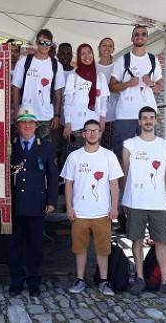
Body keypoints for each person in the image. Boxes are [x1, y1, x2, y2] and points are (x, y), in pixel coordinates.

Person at [121, 106, 166, 297]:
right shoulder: (130, 144)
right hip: (136, 201)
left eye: (151, 118)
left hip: (157, 202)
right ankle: (139, 278)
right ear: (139, 122)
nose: (148, 121)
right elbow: (126, 173)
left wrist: (164, 194)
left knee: (162, 241)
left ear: (156, 121)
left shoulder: (164, 146)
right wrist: (123, 200)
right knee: (137, 240)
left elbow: (163, 174)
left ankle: (165, 280)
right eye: (144, 118)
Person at [61, 119, 123, 296]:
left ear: (100, 133)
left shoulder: (108, 156)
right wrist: (69, 207)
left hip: (102, 212)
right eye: (89, 130)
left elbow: (114, 184)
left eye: (96, 130)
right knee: (79, 249)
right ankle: (80, 280)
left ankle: (104, 281)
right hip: (80, 212)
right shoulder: (75, 157)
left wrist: (114, 207)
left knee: (103, 249)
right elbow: (68, 184)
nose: (92, 133)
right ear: (83, 134)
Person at [9, 107, 58, 297]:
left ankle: (34, 282)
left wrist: (52, 200)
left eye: (31, 122)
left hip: (37, 203)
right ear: (18, 125)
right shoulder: (10, 146)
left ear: (36, 126)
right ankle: (16, 281)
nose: (27, 126)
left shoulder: (45, 146)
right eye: (24, 122)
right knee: (15, 245)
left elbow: (52, 177)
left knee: (36, 245)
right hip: (15, 203)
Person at [109, 26, 163, 162]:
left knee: (147, 154)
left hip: (148, 115)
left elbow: (159, 88)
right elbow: (112, 86)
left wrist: (150, 83)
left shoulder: (153, 60)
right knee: (122, 155)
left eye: (143, 34)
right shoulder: (123, 60)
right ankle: (122, 184)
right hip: (125, 114)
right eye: (137, 34)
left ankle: (144, 182)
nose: (140, 36)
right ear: (132, 38)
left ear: (147, 38)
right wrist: (127, 84)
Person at [11, 29, 65, 143]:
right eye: (42, 42)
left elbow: (58, 94)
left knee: (43, 151)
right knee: (24, 149)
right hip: (25, 115)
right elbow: (16, 88)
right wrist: (16, 110)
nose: (44, 45)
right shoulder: (24, 61)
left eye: (47, 43)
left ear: (51, 44)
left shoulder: (56, 65)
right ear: (36, 42)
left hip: (46, 117)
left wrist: (57, 115)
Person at [63, 43, 110, 156]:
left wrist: (102, 121)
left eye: (89, 52)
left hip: (94, 126)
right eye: (82, 54)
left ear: (93, 54)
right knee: (76, 161)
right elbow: (68, 102)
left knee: (93, 160)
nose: (86, 56)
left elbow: (104, 101)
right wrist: (67, 123)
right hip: (76, 126)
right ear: (79, 57)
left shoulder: (100, 76)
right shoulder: (73, 77)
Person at [96, 37, 117, 149]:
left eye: (110, 46)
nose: (107, 48)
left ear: (113, 49)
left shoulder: (117, 66)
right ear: (99, 48)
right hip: (94, 115)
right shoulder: (93, 66)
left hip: (113, 115)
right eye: (104, 45)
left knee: (109, 149)